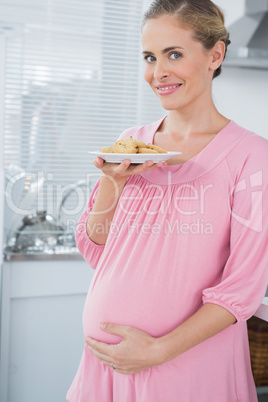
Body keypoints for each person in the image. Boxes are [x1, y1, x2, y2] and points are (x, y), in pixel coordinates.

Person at [66, 0, 268, 401]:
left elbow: (241, 288)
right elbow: (97, 248)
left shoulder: (253, 156)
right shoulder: (134, 142)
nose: (158, 73)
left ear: (215, 54)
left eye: (173, 54)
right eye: (149, 57)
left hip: (188, 365)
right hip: (105, 367)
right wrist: (112, 182)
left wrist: (157, 350)